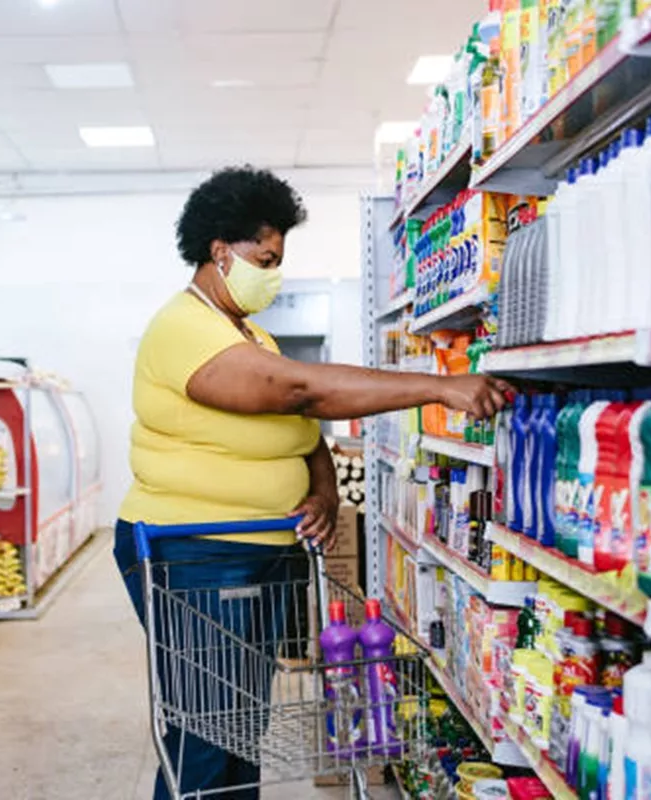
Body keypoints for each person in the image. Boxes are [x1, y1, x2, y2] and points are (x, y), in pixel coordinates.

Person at [114, 166, 513, 799]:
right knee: (206, 736)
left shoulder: (251, 333)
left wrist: (324, 495)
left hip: (262, 551)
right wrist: (439, 386)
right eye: (265, 258)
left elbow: (304, 432)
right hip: (191, 553)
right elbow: (299, 389)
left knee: (243, 729)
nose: (273, 273)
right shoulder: (184, 327)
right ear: (220, 252)